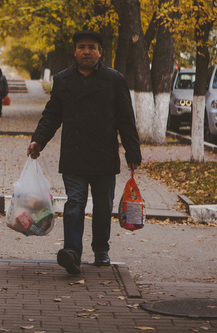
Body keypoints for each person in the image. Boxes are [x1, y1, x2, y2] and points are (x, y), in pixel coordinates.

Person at [27, 30, 141, 273]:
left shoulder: (114, 80)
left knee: (102, 206)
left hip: (103, 155)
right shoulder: (63, 79)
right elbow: (52, 114)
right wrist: (38, 141)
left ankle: (101, 250)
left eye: (91, 47)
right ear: (75, 51)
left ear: (100, 52)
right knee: (75, 203)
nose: (86, 51)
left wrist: (133, 153)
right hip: (74, 154)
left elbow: (126, 120)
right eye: (81, 47)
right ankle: (72, 253)